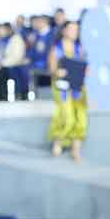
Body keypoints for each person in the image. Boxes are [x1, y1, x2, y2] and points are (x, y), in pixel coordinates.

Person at [48, 20, 88, 161]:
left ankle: (76, 149)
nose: (74, 32)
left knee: (81, 116)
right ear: (64, 31)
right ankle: (58, 142)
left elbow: (86, 67)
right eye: (71, 29)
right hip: (62, 86)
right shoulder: (56, 49)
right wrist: (58, 72)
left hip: (78, 85)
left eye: (76, 30)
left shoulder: (80, 49)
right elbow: (52, 69)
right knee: (66, 114)